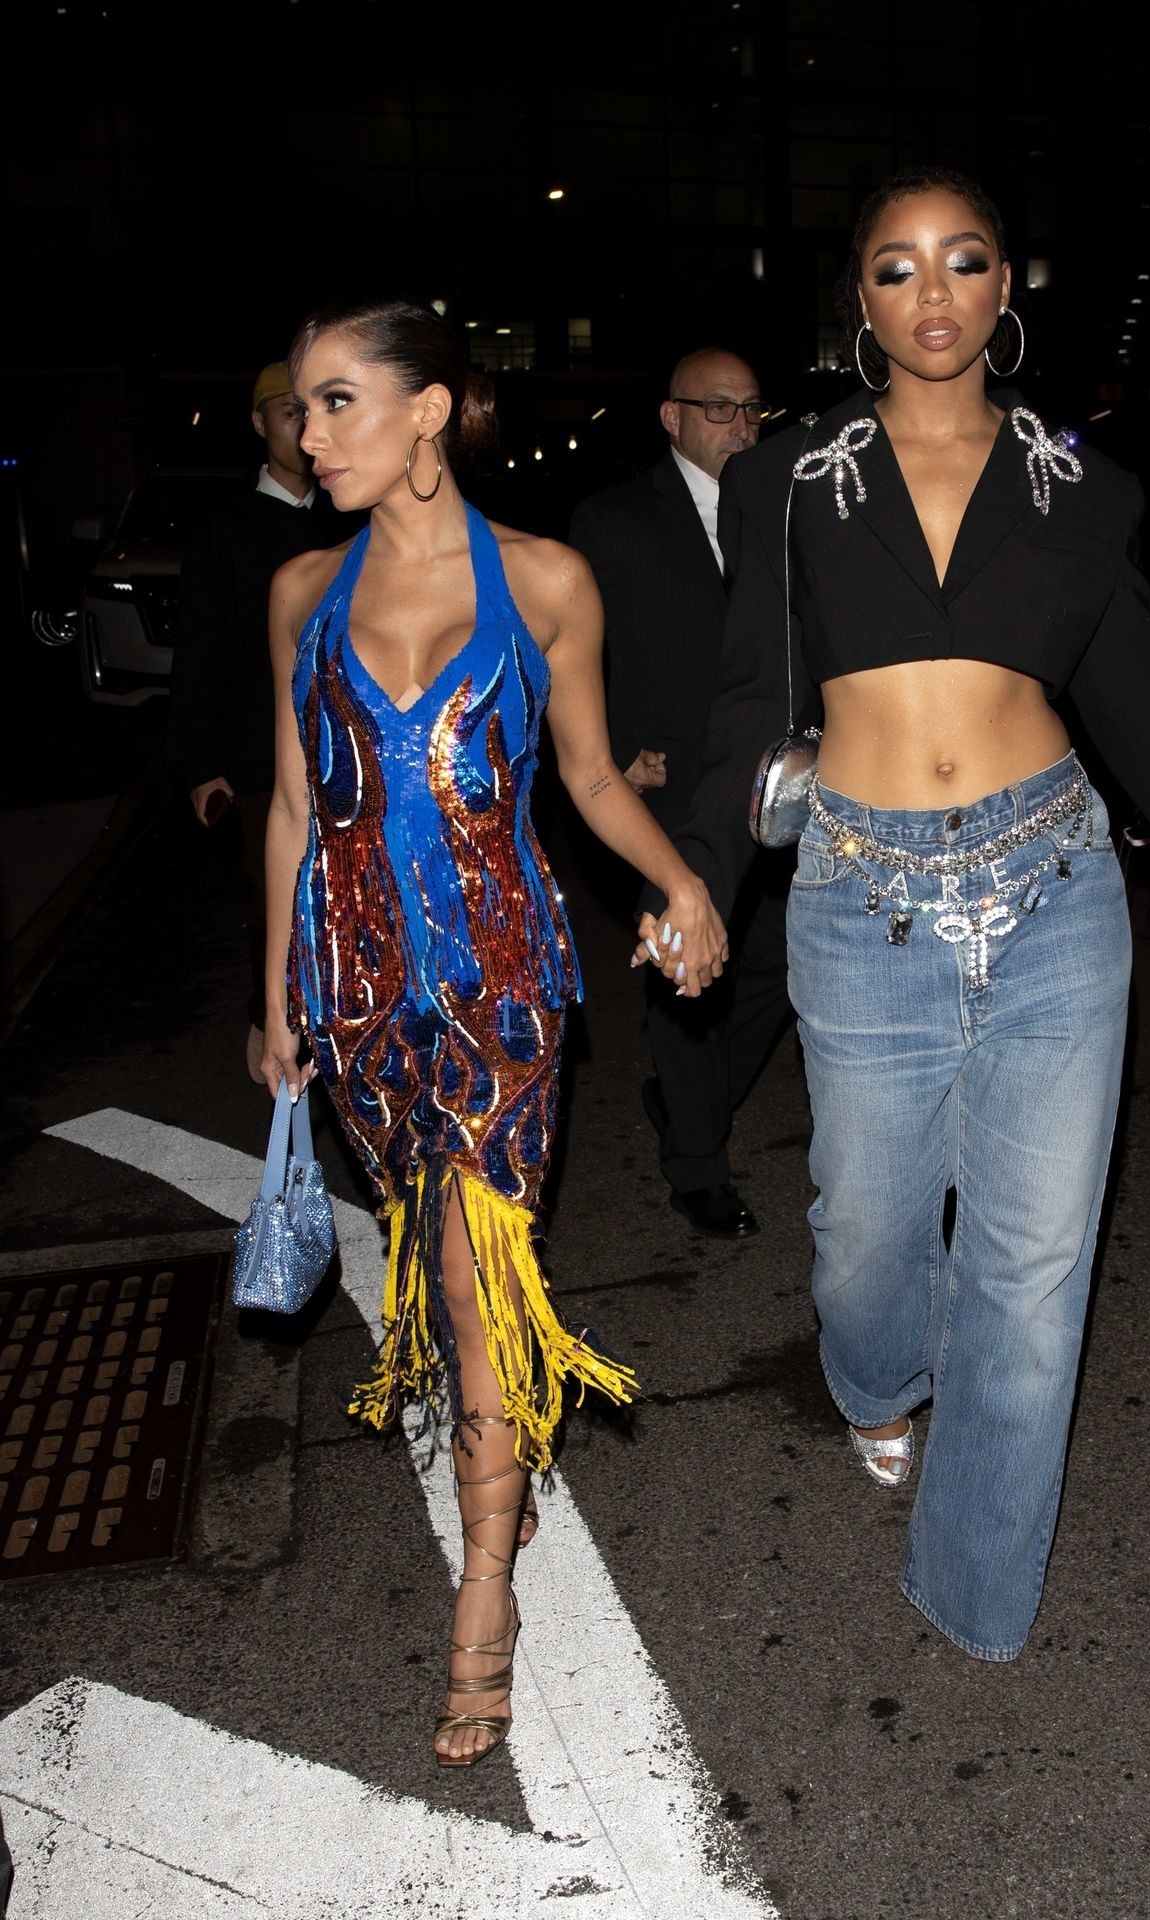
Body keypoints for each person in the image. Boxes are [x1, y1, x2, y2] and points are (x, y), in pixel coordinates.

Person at [637, 168, 1150, 1663]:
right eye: (897, 268)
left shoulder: (1085, 486)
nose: (932, 292)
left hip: (1055, 887)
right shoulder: (790, 474)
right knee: (865, 1235)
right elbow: (752, 705)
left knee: (1030, 1266)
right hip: (860, 889)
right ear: (862, 300)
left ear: (1006, 288)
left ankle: (974, 1587)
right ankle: (877, 1380)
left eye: (963, 262)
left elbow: (1138, 712)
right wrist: (693, 876)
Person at [262, 299, 727, 1763]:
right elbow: (294, 808)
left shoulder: (544, 580)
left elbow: (585, 778)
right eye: (302, 407)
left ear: (428, 411)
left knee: (471, 1272)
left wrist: (679, 882)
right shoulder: (299, 594)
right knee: (429, 1234)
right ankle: (498, 1455)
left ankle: (484, 1593)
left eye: (337, 402)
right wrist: (273, 995)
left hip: (501, 986)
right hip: (358, 998)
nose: (307, 432)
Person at [569, 349, 792, 1237]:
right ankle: (696, 1164)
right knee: (683, 975)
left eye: (752, 410)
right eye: (719, 409)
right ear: (672, 417)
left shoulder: (780, 506)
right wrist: (615, 751)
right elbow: (575, 650)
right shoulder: (613, 518)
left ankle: (688, 1102)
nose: (740, 426)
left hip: (772, 785)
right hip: (669, 791)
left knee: (779, 964)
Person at [168, 362, 357, 1082]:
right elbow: (200, 650)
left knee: (347, 895)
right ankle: (272, 1022)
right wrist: (198, 763)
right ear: (259, 423)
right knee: (271, 894)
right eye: (289, 411)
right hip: (257, 749)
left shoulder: (349, 515)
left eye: (320, 409)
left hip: (347, 745)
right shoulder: (225, 530)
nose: (306, 429)